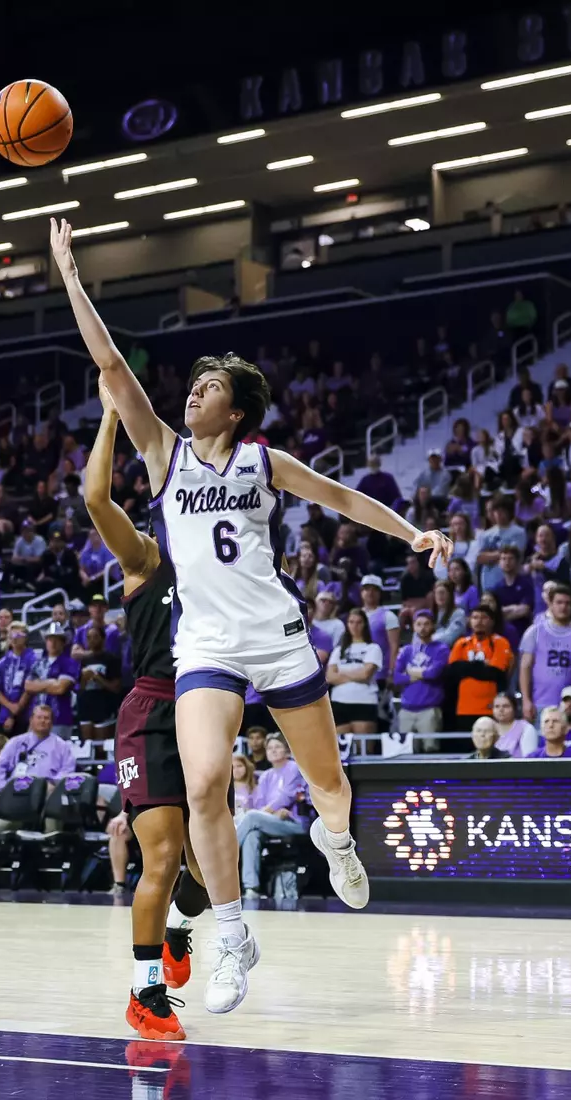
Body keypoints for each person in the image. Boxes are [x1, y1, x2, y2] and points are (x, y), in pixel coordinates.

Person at [55, 217, 451, 1015]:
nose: (193, 393)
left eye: (209, 389)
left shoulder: (263, 461)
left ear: (236, 412)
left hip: (277, 638)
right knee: (205, 783)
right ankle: (232, 938)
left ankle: (335, 838)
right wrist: (69, 273)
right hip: (206, 646)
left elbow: (341, 498)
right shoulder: (164, 454)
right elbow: (110, 364)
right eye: (194, 385)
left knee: (328, 785)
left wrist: (412, 533)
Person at [86, 385, 214, 1039]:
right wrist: (112, 416)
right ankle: (144, 994)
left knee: (211, 870)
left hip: (205, 714)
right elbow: (95, 499)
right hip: (152, 713)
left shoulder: (222, 566)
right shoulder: (145, 556)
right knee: (160, 858)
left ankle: (176, 932)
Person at [234, 735, 306, 901]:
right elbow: (260, 803)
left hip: (293, 821)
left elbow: (287, 797)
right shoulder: (266, 775)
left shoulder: (294, 768)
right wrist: (270, 813)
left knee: (252, 817)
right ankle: (251, 888)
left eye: (277, 747)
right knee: (252, 835)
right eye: (270, 748)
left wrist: (267, 812)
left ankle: (225, 857)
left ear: (287, 751)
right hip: (270, 821)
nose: (273, 751)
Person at [518, 584, 571, 724]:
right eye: (559, 602)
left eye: (567, 603)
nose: (563, 607)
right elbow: (525, 668)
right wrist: (526, 700)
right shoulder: (535, 631)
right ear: (550, 604)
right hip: (540, 702)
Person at [446, 606, 514, 735]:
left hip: (491, 709)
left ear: (492, 621)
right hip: (463, 709)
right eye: (475, 617)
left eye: (484, 617)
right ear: (469, 621)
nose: (479, 621)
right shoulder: (461, 643)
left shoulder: (500, 642)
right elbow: (453, 671)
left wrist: (466, 667)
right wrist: (481, 665)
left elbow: (495, 673)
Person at [326, 608, 382, 753]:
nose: (355, 626)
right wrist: (356, 673)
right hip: (339, 701)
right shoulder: (338, 650)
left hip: (363, 702)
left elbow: (366, 674)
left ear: (365, 624)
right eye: (351, 622)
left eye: (359, 622)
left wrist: (342, 673)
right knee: (341, 752)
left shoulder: (373, 648)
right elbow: (330, 677)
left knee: (365, 750)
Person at [391, 609, 448, 750]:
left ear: (433, 625)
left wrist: (410, 672)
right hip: (406, 710)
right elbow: (396, 677)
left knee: (430, 750)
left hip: (429, 710)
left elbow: (434, 673)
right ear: (414, 626)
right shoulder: (407, 650)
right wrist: (422, 674)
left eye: (426, 624)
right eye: (419, 624)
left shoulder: (441, 649)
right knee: (405, 753)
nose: (422, 628)